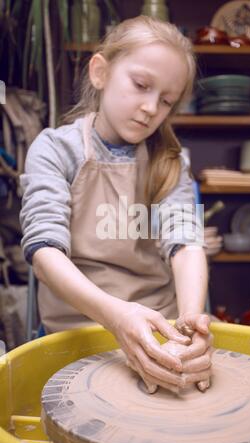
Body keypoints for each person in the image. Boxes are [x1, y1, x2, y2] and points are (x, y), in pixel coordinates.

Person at [20, 16, 212, 394]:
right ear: (100, 72)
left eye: (166, 101)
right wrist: (117, 318)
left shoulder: (171, 160)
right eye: (141, 85)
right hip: (79, 327)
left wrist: (190, 325)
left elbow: (186, 244)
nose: (150, 108)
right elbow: (44, 254)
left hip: (162, 325)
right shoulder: (56, 149)